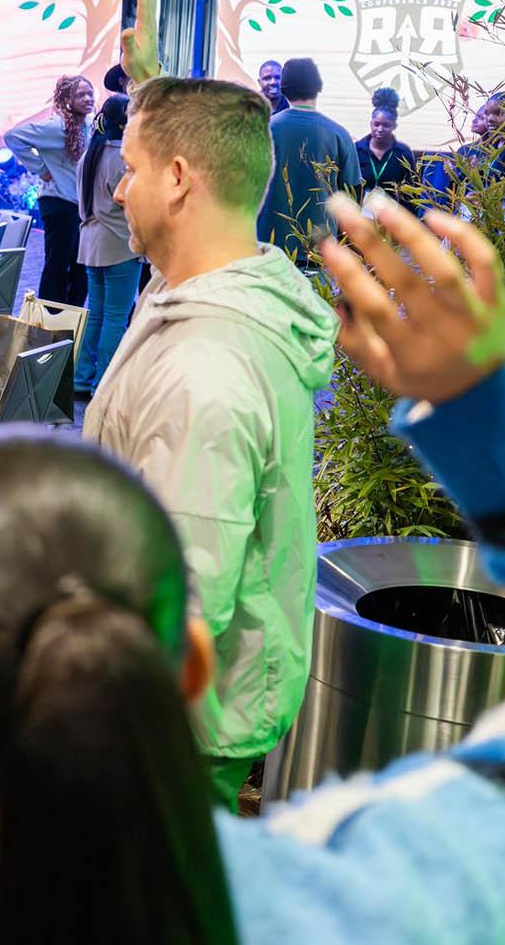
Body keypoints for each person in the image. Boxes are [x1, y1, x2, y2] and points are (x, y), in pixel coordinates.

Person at [0, 190, 505, 944]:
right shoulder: (383, 903)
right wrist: (485, 406)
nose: (117, 188)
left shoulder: (205, 373)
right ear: (191, 664)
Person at [86, 72, 338, 807]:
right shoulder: (211, 286)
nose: (117, 190)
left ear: (177, 178)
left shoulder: (207, 370)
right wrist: (152, 79)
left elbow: (183, 605)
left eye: (130, 171)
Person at [257, 57, 361, 264]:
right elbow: (353, 196)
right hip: (320, 253)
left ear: (284, 89)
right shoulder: (338, 134)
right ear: (318, 88)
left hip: (268, 253)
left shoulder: (262, 131)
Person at [3, 75, 95, 306]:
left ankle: (71, 321)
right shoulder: (57, 126)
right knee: (57, 265)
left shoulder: (89, 124)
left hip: (79, 206)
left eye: (90, 93)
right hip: (58, 203)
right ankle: (49, 323)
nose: (87, 98)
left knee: (80, 267)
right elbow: (13, 137)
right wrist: (41, 168)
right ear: (66, 100)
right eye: (80, 94)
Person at [73, 93, 137, 395]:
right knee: (115, 317)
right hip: (120, 244)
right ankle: (104, 382)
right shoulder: (123, 160)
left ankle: (82, 377)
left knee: (96, 313)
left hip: (91, 243)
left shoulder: (90, 154)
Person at [356, 88, 417, 197]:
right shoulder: (357, 150)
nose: (380, 129)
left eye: (386, 125)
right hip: (359, 212)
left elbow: (411, 192)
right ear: (371, 124)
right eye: (376, 124)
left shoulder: (403, 153)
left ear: (394, 126)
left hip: (393, 212)